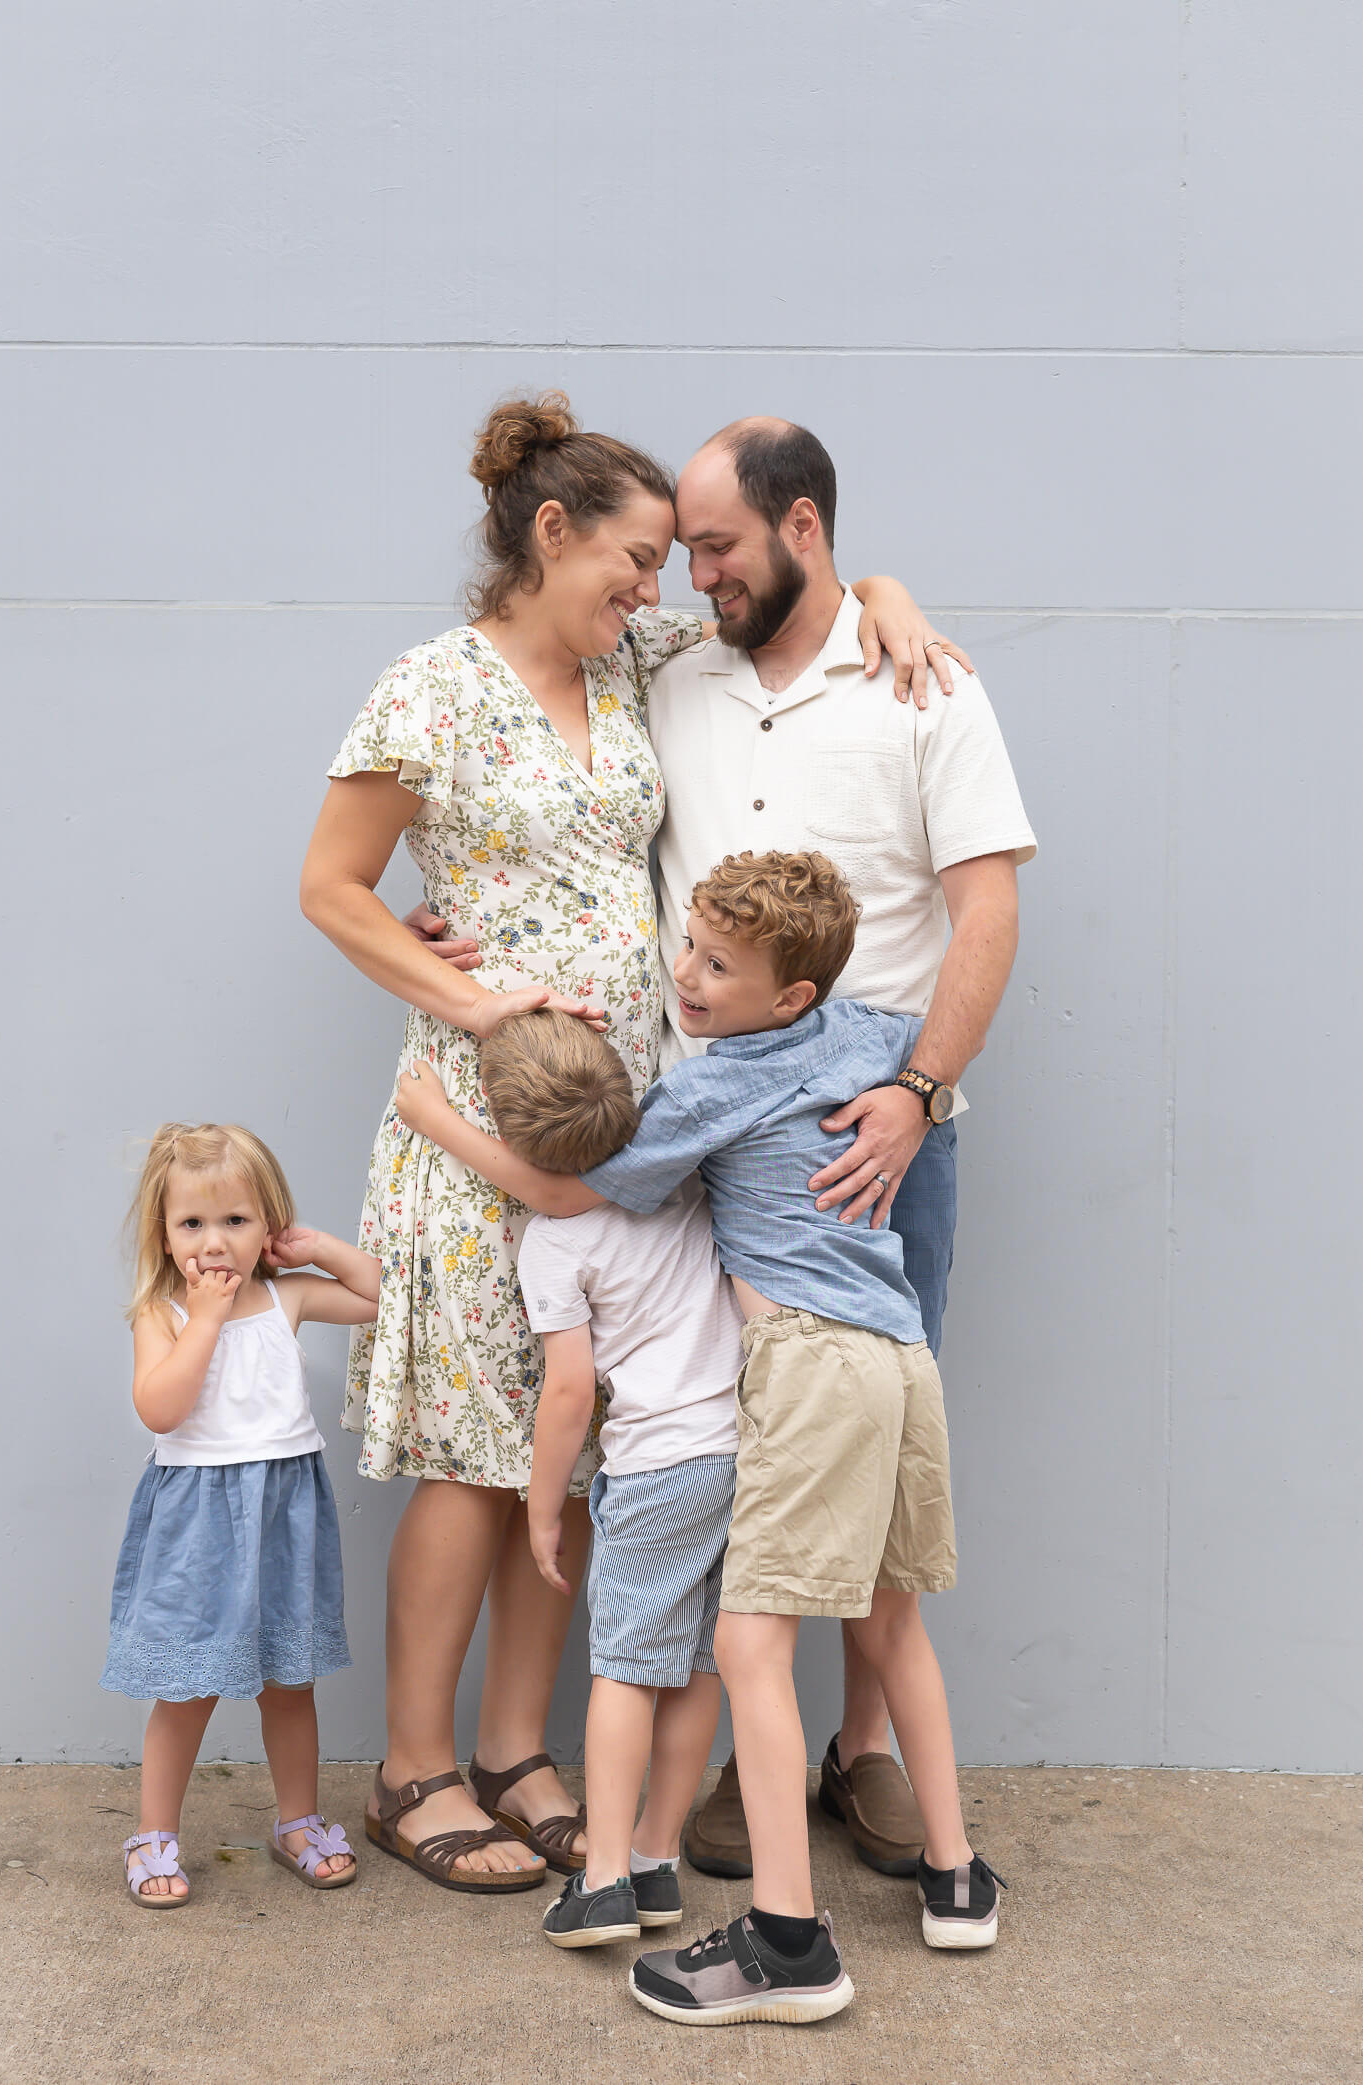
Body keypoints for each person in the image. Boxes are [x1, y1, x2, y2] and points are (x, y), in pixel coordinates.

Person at [299, 391, 954, 1891]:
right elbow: (332, 889)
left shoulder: (642, 663)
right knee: (473, 1454)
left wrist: (898, 601)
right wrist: (467, 992)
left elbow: (801, 601)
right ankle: (413, 1768)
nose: (658, 592)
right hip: (486, 1118)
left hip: (643, 1132)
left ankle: (519, 1749)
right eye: (637, 560)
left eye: (670, 567)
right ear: (552, 534)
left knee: (585, 1441)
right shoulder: (432, 692)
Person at [401, 852, 1006, 2027]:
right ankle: (954, 1875)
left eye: (718, 965)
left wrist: (438, 1116)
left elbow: (576, 1194)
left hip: (810, 1370)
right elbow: (934, 1063)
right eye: (688, 945)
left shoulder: (703, 1087)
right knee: (889, 1623)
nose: (685, 976)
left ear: (785, 996)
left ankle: (787, 1940)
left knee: (746, 1652)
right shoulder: (874, 1035)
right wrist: (925, 1092)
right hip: (898, 1361)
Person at [652, 418, 1036, 1882]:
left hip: (880, 1131)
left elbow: (985, 911)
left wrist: (919, 1095)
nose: (698, 576)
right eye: (684, 550)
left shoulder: (921, 685)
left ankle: (860, 1752)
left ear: (800, 527)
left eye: (720, 546)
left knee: (871, 1437)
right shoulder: (672, 676)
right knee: (715, 1436)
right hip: (707, 1136)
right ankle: (726, 1750)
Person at [465, 1009, 743, 1950]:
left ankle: (608, 1875)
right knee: (698, 1663)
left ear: (514, 1143)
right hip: (745, 1451)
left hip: (660, 1465)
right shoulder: (681, 1179)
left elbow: (570, 1389)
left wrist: (545, 1510)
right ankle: (658, 1858)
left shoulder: (554, 1242)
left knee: (625, 1667)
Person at [101, 1122, 381, 1907]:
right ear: (163, 1231)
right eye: (192, 1223)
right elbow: (160, 1407)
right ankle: (154, 1833)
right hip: (199, 1521)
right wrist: (207, 1318)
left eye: (235, 1220)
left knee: (290, 1681)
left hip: (284, 1509)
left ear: (267, 1226)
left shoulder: (286, 1295)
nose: (213, 1242)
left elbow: (372, 1293)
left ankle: (298, 1820)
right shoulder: (160, 1310)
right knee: (186, 1686)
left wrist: (315, 1245)